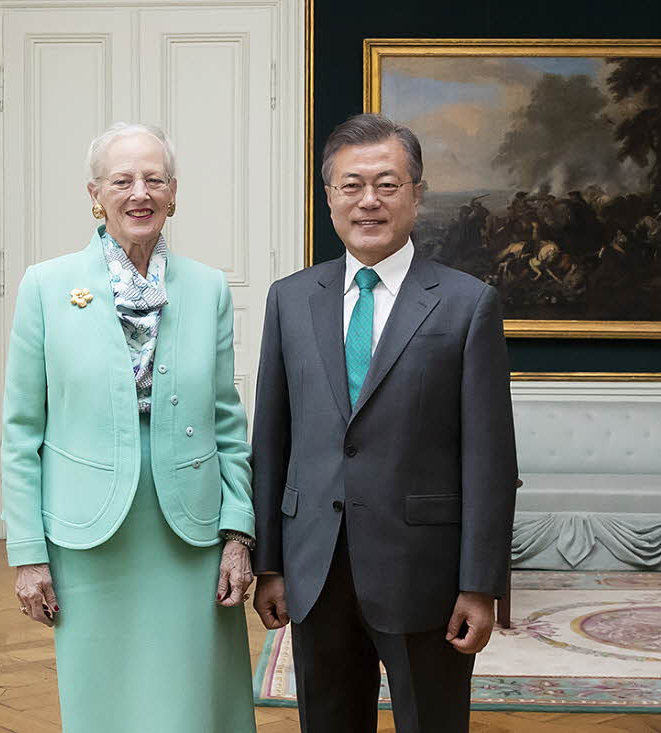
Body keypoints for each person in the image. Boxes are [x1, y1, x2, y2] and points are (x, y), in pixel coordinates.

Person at [251, 113, 517, 733]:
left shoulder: (467, 304)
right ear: (329, 197)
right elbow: (272, 441)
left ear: (417, 196)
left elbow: (490, 460)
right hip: (315, 567)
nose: (368, 200)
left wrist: (480, 585)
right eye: (351, 185)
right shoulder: (290, 299)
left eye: (387, 184)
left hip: (424, 573)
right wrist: (270, 561)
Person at [1, 122, 257, 732]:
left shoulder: (207, 288)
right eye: (123, 180)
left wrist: (238, 534)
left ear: (173, 193)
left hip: (190, 529)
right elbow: (20, 432)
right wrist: (28, 555)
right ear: (96, 193)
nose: (139, 192)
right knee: (103, 697)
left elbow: (227, 418)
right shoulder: (46, 285)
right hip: (89, 535)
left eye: (154, 179)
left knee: (195, 699)